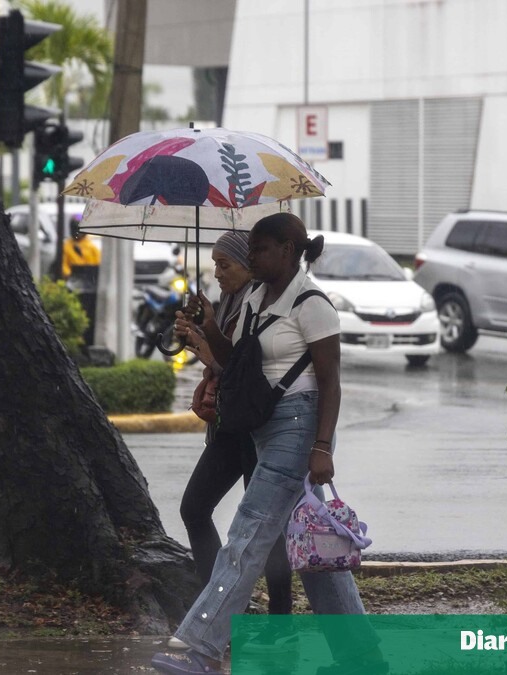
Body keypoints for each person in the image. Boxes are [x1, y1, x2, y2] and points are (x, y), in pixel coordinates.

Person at [152, 213, 384, 675]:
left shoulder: (312, 304)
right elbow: (236, 359)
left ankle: (201, 648)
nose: (252, 257)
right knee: (315, 549)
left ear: (287, 250)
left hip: (300, 425)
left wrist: (322, 447)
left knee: (248, 534)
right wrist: (209, 324)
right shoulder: (256, 299)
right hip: (264, 426)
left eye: (260, 249)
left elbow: (331, 382)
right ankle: (361, 658)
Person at [173, 231, 294, 649]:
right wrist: (194, 334)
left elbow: (245, 370)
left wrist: (207, 346)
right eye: (214, 264)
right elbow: (221, 362)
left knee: (266, 527)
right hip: (228, 427)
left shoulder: (258, 303)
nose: (218, 273)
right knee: (195, 508)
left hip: (256, 427)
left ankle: (280, 624)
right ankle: (218, 614)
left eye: (225, 264)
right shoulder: (226, 303)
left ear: (247, 264)